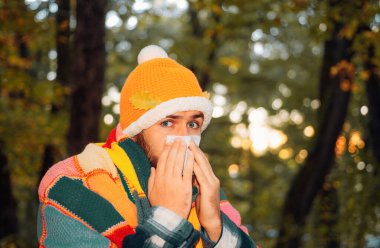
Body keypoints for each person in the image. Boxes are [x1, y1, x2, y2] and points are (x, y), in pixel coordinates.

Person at [37, 45, 257, 247]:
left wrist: (216, 227)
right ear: (136, 130)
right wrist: (168, 220)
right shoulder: (73, 185)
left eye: (193, 123)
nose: (184, 138)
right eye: (168, 122)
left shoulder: (205, 189)